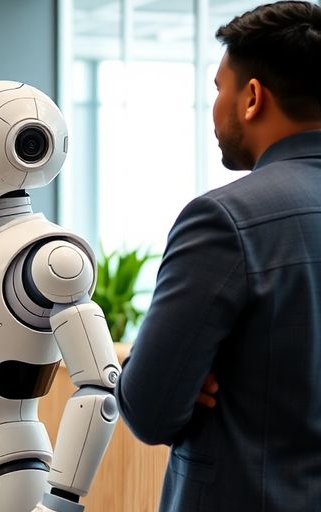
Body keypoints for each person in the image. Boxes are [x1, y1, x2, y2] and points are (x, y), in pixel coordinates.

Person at [114, 2, 321, 510]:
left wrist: (184, 368)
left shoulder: (225, 221)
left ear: (251, 97)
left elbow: (150, 409)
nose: (214, 106)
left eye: (217, 88)